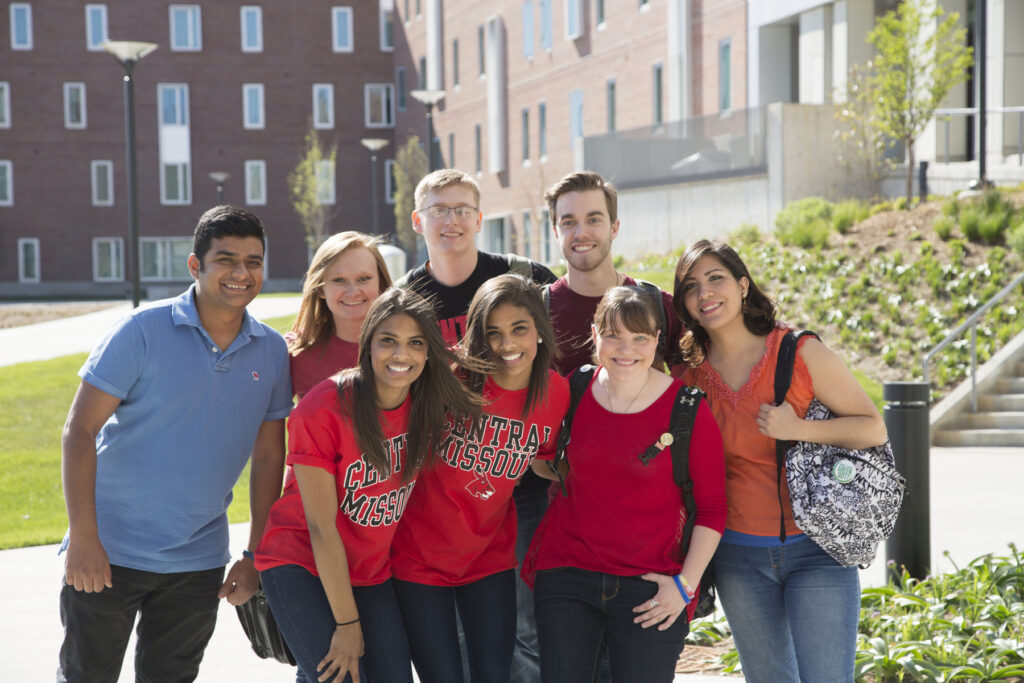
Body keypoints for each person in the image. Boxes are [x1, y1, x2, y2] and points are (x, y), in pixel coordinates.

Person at [58, 205, 292, 682]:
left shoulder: (272, 350)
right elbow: (78, 433)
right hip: (108, 552)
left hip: (197, 561)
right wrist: (83, 538)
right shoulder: (140, 332)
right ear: (195, 266)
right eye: (226, 259)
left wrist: (254, 557)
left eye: (253, 261)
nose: (240, 273)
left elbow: (269, 457)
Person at [672, 239, 888, 683]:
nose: (705, 292)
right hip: (737, 559)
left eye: (716, 279)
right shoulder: (688, 374)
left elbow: (873, 427)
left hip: (817, 550)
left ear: (743, 285)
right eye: (692, 286)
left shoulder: (797, 350)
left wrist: (800, 429)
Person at [254, 288, 482, 683]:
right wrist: (346, 624)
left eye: (415, 343)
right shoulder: (323, 408)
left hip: (369, 569)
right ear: (368, 343)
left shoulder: (427, 404)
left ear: (429, 352)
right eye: (388, 341)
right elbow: (321, 529)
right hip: (301, 563)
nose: (401, 355)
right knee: (339, 676)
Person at [397, 168, 557, 682]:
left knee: (524, 629)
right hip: (441, 492)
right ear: (418, 220)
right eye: (439, 210)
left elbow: (565, 348)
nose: (452, 221)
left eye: (463, 209)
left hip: (521, 483)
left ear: (480, 218)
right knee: (458, 641)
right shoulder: (404, 299)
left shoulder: (524, 276)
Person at [525, 286, 726, 683]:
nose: (626, 348)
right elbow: (544, 458)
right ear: (595, 334)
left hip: (650, 589)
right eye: (613, 334)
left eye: (640, 337)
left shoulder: (687, 409)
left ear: (656, 341)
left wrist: (684, 587)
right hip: (567, 577)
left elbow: (714, 510)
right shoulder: (575, 388)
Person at [543, 171, 684, 376]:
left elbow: (693, 386)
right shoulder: (537, 312)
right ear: (556, 232)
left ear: (614, 228)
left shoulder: (659, 306)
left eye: (593, 220)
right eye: (568, 222)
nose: (581, 233)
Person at [288, 231, 393, 398]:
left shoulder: (408, 346)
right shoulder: (294, 352)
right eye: (339, 280)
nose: (352, 292)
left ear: (380, 283)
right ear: (321, 288)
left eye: (364, 278)